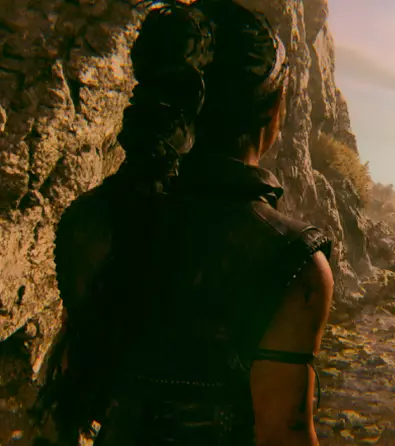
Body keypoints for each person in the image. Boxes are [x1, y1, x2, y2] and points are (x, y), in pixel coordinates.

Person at [32, 1, 333, 444]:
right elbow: (284, 432)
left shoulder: (95, 216)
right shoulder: (293, 263)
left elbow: (75, 379)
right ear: (272, 111)